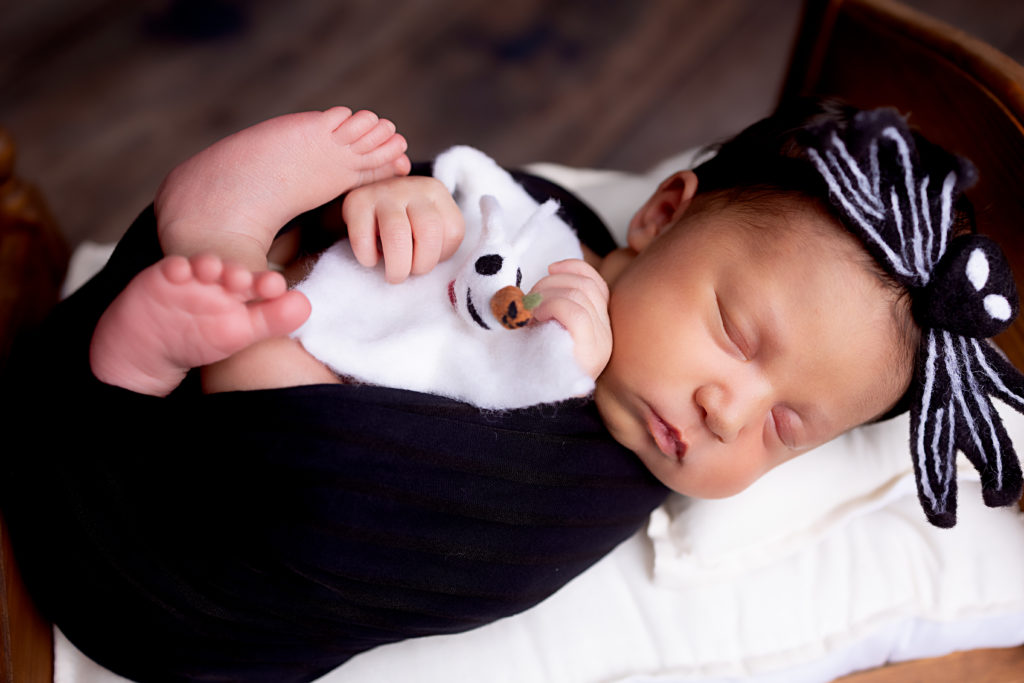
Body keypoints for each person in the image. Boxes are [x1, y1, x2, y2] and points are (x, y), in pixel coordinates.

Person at [3, 99, 1020, 683]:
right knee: (380, 185)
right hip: (99, 412)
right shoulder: (553, 220)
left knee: (281, 365)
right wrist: (395, 209)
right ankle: (226, 250)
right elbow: (467, 204)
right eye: (734, 335)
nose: (727, 409)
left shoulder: (582, 478)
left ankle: (207, 326)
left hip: (156, 566)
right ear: (662, 215)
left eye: (785, 428)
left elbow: (366, 523)